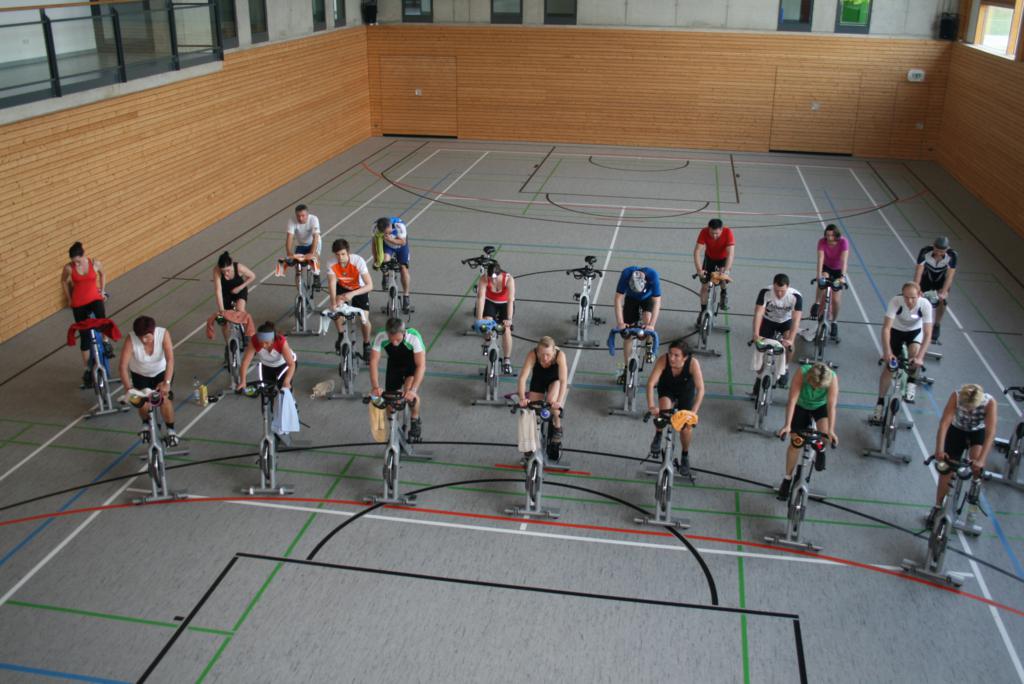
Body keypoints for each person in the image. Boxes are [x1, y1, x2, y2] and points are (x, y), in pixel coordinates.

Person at [927, 384, 996, 528]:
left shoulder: (989, 402)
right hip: (957, 430)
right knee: (946, 469)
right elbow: (944, 423)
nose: (969, 410)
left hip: (977, 433)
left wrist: (981, 460)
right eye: (965, 407)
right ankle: (938, 507)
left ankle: (974, 498)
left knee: (977, 467)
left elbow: (990, 433)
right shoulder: (956, 396)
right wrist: (939, 450)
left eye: (971, 408)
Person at [776, 362, 839, 501]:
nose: (816, 389)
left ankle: (821, 449)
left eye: (819, 387)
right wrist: (787, 425)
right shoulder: (802, 373)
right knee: (796, 443)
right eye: (813, 386)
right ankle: (787, 479)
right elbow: (792, 400)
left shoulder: (832, 378)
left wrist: (831, 430)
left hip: (820, 407)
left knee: (825, 436)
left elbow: (831, 406)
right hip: (801, 405)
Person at [646, 339, 705, 478]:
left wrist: (693, 413)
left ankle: (685, 454)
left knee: (686, 428)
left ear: (685, 357)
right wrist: (651, 406)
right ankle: (658, 434)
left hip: (685, 393)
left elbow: (701, 389)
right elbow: (651, 384)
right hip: (667, 389)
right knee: (664, 411)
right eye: (670, 354)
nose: (672, 358)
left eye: (676, 355)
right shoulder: (663, 360)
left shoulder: (693, 363)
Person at [874, 282, 933, 418]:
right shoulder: (896, 301)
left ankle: (911, 381)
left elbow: (928, 333)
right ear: (902, 295)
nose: (909, 301)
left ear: (919, 295)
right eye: (906, 297)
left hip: (915, 332)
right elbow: (886, 328)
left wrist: (920, 358)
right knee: (889, 368)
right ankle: (880, 402)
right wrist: (887, 352)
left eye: (913, 298)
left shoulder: (925, 305)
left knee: (915, 352)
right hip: (896, 331)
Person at [118, 316, 178, 446]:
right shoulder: (131, 339)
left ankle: (171, 430)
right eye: (141, 338)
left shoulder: (163, 334)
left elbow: (170, 360)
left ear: (153, 332)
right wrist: (129, 389)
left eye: (147, 337)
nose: (145, 340)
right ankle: (145, 423)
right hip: (140, 374)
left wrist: (166, 383)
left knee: (164, 399)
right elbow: (123, 366)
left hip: (161, 372)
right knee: (142, 402)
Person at [369, 317, 426, 441]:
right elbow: (373, 362)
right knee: (389, 399)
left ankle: (415, 418)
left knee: (409, 394)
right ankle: (393, 427)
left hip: (411, 367)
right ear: (387, 333)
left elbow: (421, 366)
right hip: (394, 366)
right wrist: (375, 387)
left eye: (398, 339)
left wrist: (413, 390)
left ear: (404, 332)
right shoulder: (381, 336)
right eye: (391, 339)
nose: (394, 343)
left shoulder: (414, 337)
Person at [62, 242, 111, 385]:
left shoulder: (94, 263)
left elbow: (103, 274)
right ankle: (87, 369)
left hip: (94, 299)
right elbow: (63, 281)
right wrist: (69, 299)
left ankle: (106, 342)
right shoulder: (69, 268)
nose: (76, 264)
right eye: (73, 262)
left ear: (83, 255)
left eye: (78, 261)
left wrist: (102, 291)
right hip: (78, 303)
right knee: (84, 337)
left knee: (102, 320)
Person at [751, 273, 802, 389]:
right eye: (776, 290)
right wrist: (756, 334)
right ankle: (759, 377)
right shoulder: (765, 292)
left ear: (788, 287)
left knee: (790, 346)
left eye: (782, 291)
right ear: (773, 285)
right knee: (760, 347)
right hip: (768, 320)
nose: (779, 294)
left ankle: (785, 367)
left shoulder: (795, 296)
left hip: (786, 321)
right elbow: (758, 313)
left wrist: (791, 339)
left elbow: (796, 320)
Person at [613, 265, 661, 384]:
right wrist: (620, 323)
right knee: (628, 335)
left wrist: (651, 325)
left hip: (647, 297)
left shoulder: (653, 276)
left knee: (647, 318)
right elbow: (618, 299)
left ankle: (649, 344)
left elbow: (657, 303)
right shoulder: (626, 274)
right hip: (631, 298)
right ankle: (626, 369)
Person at [328, 238, 374, 360]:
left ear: (348, 252)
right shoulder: (331, 263)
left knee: (364, 319)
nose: (340, 257)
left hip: (359, 289)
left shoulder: (358, 261)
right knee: (336, 310)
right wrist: (333, 302)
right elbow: (332, 283)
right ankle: (341, 335)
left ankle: (366, 344)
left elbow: (370, 285)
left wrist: (352, 294)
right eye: (337, 255)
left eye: (343, 254)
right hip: (342, 287)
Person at [517, 337, 568, 445]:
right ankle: (534, 438)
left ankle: (557, 426)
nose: (545, 358)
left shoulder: (560, 356)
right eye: (542, 354)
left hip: (554, 381)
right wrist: (522, 398)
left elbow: (563, 381)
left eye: (548, 355)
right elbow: (522, 379)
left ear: (553, 352)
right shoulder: (532, 355)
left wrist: (558, 402)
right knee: (533, 410)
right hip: (538, 380)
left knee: (552, 402)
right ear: (538, 351)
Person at [913, 236, 957, 344]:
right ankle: (915, 325)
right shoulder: (925, 251)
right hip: (926, 279)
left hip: (941, 281)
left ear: (947, 249)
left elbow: (950, 276)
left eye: (942, 251)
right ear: (933, 246)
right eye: (936, 250)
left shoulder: (952, 255)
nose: (938, 253)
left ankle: (937, 324)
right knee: (918, 299)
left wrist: (944, 292)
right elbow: (918, 272)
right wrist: (917, 288)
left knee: (942, 301)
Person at [475, 261, 516, 375]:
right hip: (490, 302)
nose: (493, 281)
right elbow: (481, 298)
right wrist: (479, 318)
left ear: (500, 274)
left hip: (505, 304)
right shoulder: (484, 279)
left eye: (495, 278)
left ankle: (507, 360)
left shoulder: (509, 279)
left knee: (506, 330)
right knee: (486, 322)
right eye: (491, 278)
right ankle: (487, 340)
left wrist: (509, 319)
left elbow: (510, 300)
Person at [811, 224, 849, 340]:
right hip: (826, 268)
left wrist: (842, 277)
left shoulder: (843, 242)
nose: (829, 238)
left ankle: (834, 321)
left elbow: (844, 260)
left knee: (836, 300)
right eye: (827, 235)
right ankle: (817, 303)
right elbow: (820, 259)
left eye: (831, 236)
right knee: (822, 280)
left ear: (836, 235)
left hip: (838, 270)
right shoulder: (822, 242)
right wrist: (818, 275)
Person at [237, 321, 297, 392]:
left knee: (284, 388)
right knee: (266, 389)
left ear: (272, 340)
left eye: (266, 343)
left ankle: (289, 395)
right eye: (261, 342)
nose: (263, 345)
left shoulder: (281, 342)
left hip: (284, 364)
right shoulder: (254, 341)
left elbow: (291, 364)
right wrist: (243, 381)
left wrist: (287, 381)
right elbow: (245, 362)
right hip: (267, 365)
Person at [693, 218, 735, 315]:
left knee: (722, 279)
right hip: (709, 259)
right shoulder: (704, 232)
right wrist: (699, 270)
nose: (714, 236)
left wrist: (726, 271)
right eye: (712, 233)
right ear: (708, 229)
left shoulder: (728, 232)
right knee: (704, 286)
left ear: (721, 230)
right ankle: (703, 312)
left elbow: (731, 254)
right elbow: (697, 252)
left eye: (717, 233)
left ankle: (723, 292)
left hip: (723, 260)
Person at [212, 251, 256, 341]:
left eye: (228, 270)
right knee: (222, 321)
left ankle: (251, 337)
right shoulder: (216, 270)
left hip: (239, 290)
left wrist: (240, 288)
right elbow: (218, 290)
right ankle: (228, 344)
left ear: (231, 265)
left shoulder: (239, 267)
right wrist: (221, 310)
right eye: (223, 271)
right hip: (225, 293)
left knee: (240, 311)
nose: (226, 273)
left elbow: (252, 276)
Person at [373, 216, 412, 314]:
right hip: (388, 247)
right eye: (384, 233)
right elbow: (374, 244)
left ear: (390, 226)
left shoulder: (400, 226)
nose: (386, 234)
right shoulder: (375, 228)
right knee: (384, 261)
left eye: (388, 232)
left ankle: (406, 296)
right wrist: (376, 259)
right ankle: (385, 275)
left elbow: (403, 242)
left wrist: (391, 239)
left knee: (403, 268)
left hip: (401, 247)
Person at [285, 204, 322, 289]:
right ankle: (300, 290)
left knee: (314, 258)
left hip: (313, 242)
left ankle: (316, 276)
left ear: (308, 214)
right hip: (301, 244)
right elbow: (289, 237)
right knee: (298, 268)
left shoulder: (313, 219)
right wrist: (289, 253)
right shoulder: (292, 220)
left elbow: (315, 237)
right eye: (298, 216)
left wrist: (312, 253)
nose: (300, 218)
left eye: (303, 216)